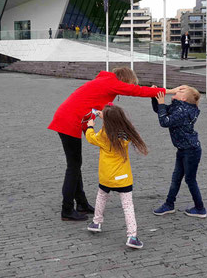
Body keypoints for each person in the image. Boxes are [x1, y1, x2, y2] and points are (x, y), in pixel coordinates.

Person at [48, 67, 166, 221]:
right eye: (128, 84)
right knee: (73, 166)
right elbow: (136, 91)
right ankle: (67, 209)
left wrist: (90, 133)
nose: (125, 89)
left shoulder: (105, 83)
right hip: (68, 122)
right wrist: (169, 91)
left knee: (76, 164)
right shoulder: (111, 82)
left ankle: (81, 203)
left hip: (68, 119)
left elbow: (87, 107)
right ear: (124, 80)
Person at [85, 104, 148, 249]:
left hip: (106, 176)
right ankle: (132, 236)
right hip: (123, 177)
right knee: (127, 206)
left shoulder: (103, 134)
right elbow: (118, 124)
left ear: (107, 122)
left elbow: (91, 138)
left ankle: (96, 222)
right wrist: (107, 116)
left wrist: (90, 126)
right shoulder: (125, 134)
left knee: (101, 196)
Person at [152, 85, 207, 218]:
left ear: (183, 98)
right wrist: (154, 97)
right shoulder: (179, 106)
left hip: (191, 151)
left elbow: (164, 121)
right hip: (183, 149)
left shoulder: (182, 111)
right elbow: (160, 111)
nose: (175, 91)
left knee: (190, 179)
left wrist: (161, 103)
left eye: (179, 91)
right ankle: (169, 204)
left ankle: (200, 208)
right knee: (176, 178)